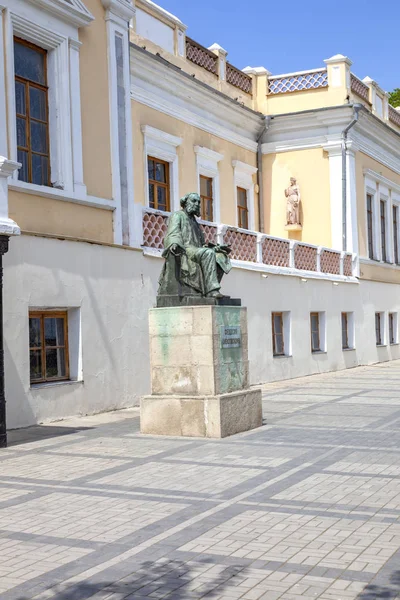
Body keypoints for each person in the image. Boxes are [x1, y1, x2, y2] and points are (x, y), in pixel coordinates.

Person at [159, 193, 231, 298]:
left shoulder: (194, 221)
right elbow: (173, 233)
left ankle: (208, 287)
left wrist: (216, 248)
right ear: (186, 202)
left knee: (220, 256)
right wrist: (174, 243)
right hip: (186, 250)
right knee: (208, 253)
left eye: (198, 202)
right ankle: (211, 290)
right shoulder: (177, 215)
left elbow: (202, 244)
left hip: (197, 250)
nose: (197, 204)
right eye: (194, 201)